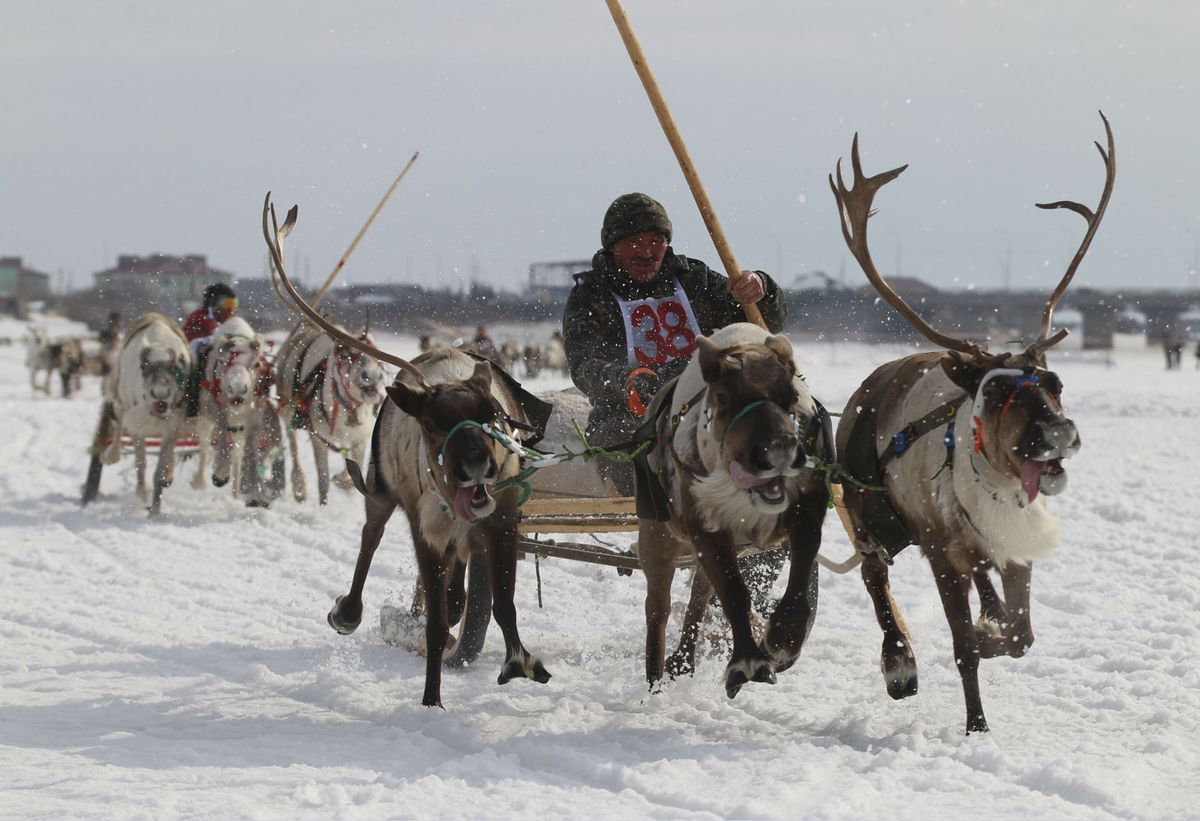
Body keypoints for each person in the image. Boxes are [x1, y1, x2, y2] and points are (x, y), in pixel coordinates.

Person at [562, 192, 787, 494]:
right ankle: (666, 525)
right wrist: (625, 381)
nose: (646, 252)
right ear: (613, 247)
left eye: (655, 241)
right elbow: (583, 365)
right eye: (633, 242)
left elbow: (762, 324)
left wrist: (761, 288)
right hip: (628, 415)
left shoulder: (696, 279)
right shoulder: (591, 295)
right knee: (637, 457)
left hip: (711, 405)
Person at [183, 283, 238, 416]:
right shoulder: (199, 318)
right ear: (213, 304)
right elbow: (192, 341)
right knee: (196, 370)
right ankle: (192, 403)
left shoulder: (230, 322)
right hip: (194, 356)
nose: (230, 310)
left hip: (217, 355)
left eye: (233, 304)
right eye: (226, 304)